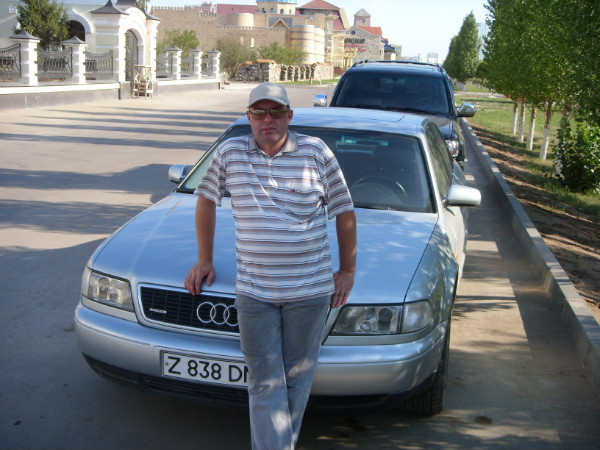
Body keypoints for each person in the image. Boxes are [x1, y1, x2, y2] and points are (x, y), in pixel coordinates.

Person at [184, 82, 357, 450]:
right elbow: (206, 200)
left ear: (289, 116)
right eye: (259, 112)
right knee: (265, 382)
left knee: (296, 380)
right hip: (255, 292)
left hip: (309, 291)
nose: (268, 119)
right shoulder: (230, 152)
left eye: (276, 111)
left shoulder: (316, 152)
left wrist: (347, 270)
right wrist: (204, 259)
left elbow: (344, 210)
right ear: (248, 117)